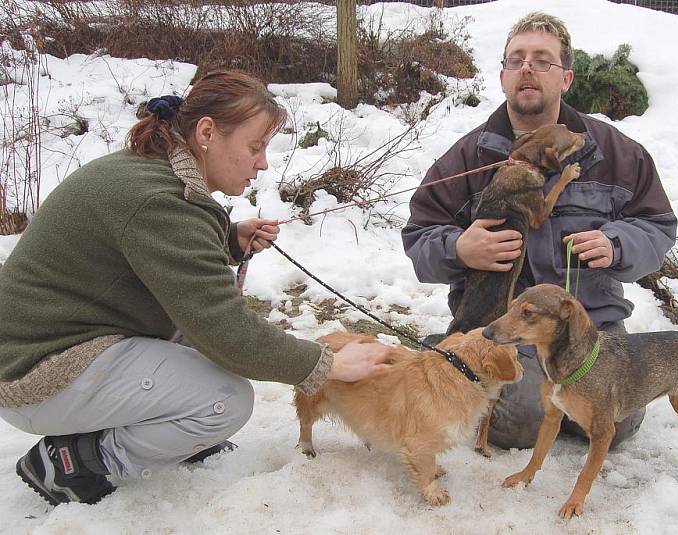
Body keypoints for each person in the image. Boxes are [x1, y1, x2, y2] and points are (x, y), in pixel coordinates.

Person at [0, 70, 392, 506]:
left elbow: (163, 247)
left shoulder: (156, 172)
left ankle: (169, 433)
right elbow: (227, 332)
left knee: (205, 355)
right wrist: (327, 365)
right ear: (207, 132)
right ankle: (75, 461)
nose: (262, 163)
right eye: (255, 147)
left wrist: (230, 239)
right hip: (36, 374)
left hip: (56, 342)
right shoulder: (159, 199)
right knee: (224, 397)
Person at [402, 12, 677, 449]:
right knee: (520, 423)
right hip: (506, 328)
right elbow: (419, 236)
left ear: (566, 78)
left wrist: (617, 243)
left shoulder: (615, 152)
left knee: (616, 424)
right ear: (503, 76)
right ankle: (454, 349)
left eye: (542, 60)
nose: (527, 68)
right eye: (516, 60)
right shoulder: (468, 157)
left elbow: (658, 226)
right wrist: (459, 248)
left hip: (592, 330)